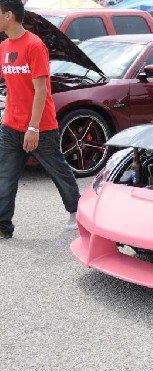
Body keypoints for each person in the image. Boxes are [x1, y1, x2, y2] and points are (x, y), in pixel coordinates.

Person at [0, 0, 80, 239]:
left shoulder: (34, 45)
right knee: (5, 174)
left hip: (40, 126)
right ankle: (3, 225)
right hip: (11, 124)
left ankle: (78, 211)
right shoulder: (3, 46)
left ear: (9, 15)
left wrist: (33, 127)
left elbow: (41, 90)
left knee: (58, 170)